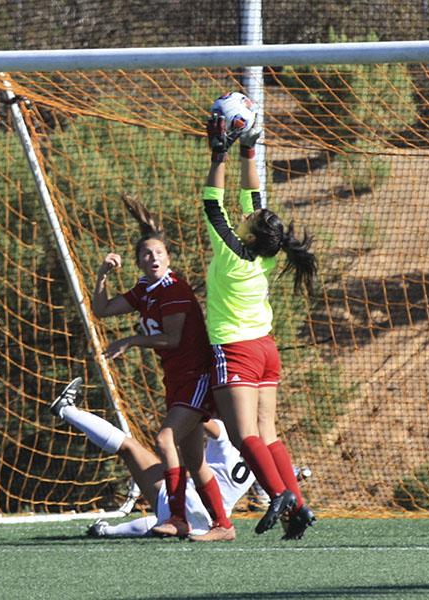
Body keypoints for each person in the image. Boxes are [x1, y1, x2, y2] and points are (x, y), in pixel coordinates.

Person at [86, 193, 234, 541]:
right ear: (138, 261)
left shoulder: (174, 289)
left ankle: (179, 518)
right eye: (146, 254)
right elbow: (102, 310)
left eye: (158, 253)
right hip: (177, 379)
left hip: (196, 375)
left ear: (169, 258)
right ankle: (223, 526)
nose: (152, 258)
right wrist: (102, 274)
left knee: (164, 438)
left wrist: (130, 341)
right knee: (195, 461)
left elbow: (172, 339)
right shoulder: (144, 289)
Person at [200, 102, 318, 540]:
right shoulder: (266, 254)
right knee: (266, 431)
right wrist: (249, 151)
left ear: (250, 231)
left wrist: (219, 154)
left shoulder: (232, 253)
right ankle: (298, 506)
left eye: (249, 218)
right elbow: (255, 201)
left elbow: (213, 202)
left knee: (240, 431)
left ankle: (278, 494)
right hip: (266, 349)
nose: (246, 214)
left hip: (237, 349)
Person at [49, 378, 254, 539]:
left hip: (192, 503)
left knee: (129, 447)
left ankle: (66, 409)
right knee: (162, 516)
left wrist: (191, 402)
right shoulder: (259, 459)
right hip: (208, 521)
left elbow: (200, 415)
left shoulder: (227, 432)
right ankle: (106, 531)